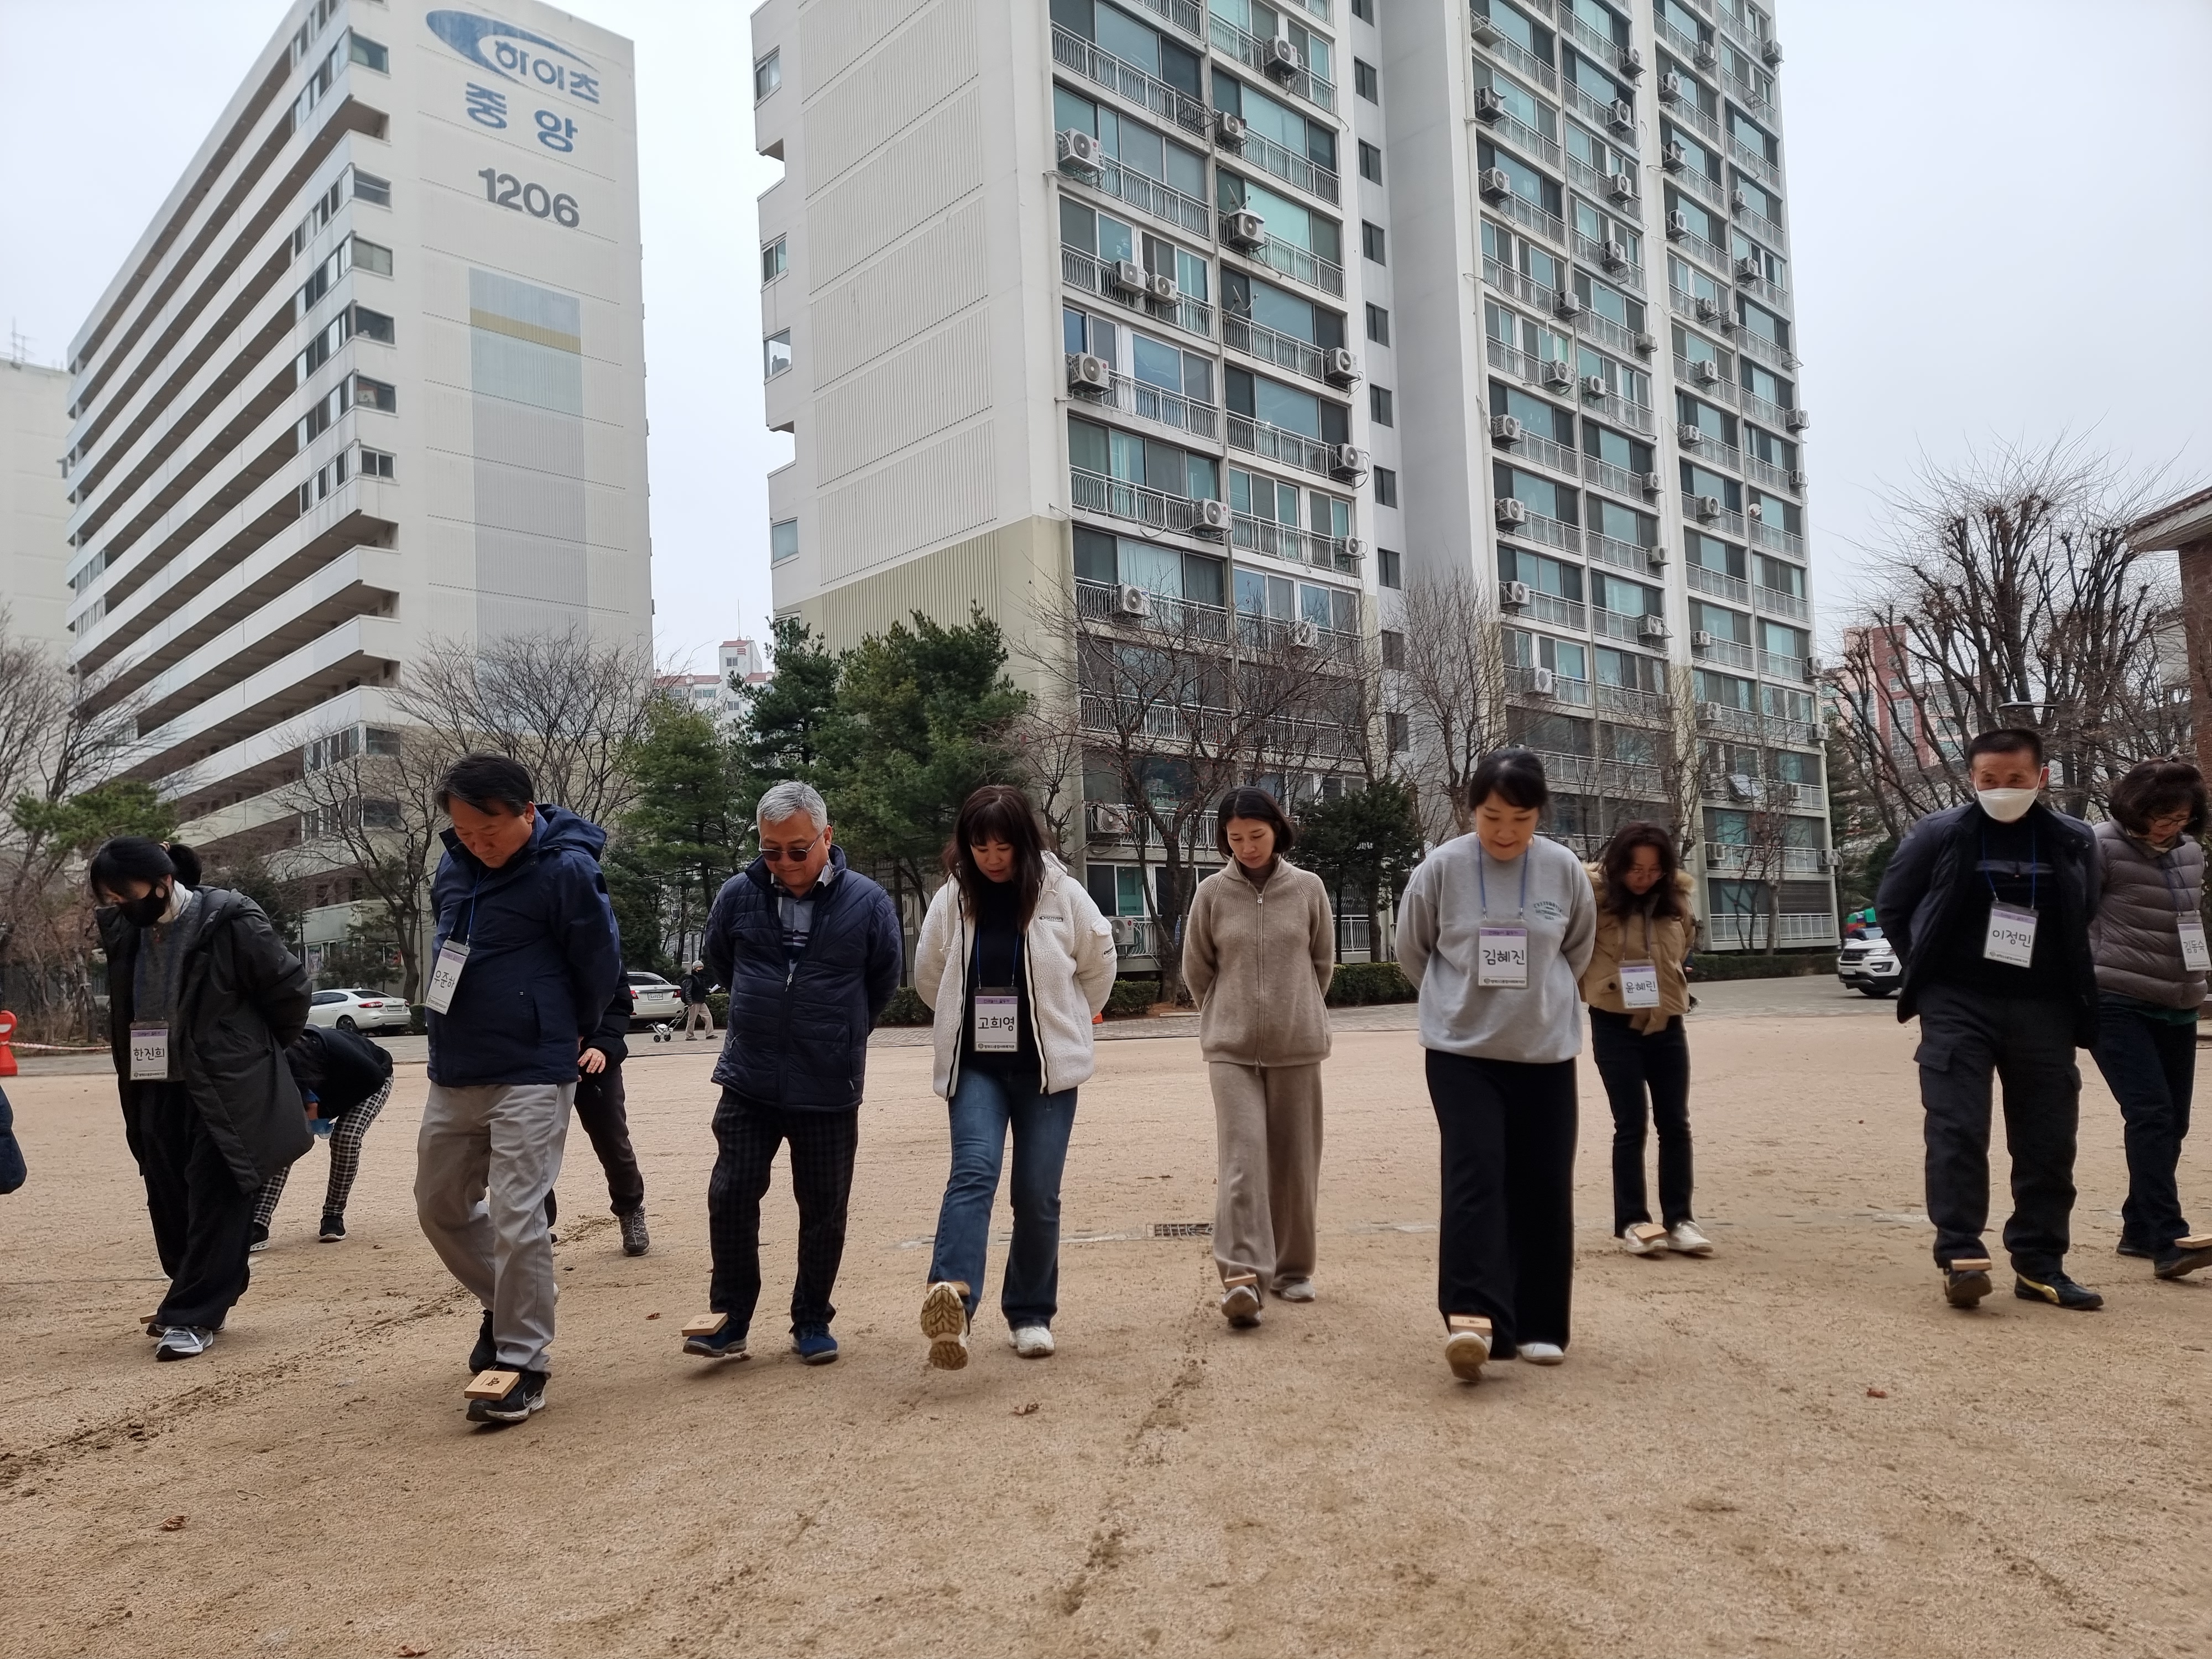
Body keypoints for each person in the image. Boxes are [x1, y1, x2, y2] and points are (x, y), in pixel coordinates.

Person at [414, 754, 624, 1423]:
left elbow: (599, 962)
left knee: (517, 1212)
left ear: (527, 812)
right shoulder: (453, 867)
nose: (478, 843)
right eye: (464, 832)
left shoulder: (566, 870)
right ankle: (509, 1301)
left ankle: (523, 1360)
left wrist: (565, 1027)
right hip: (456, 1064)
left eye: (490, 830)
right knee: (438, 1205)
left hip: (532, 1067)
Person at [1877, 728, 2104, 1313]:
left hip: (2045, 1006)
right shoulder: (1940, 833)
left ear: (2041, 778)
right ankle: (1960, 1254)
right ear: (1972, 779)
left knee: (2048, 1139)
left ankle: (2040, 1262)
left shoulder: (2074, 838)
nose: (2003, 788)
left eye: (2016, 779)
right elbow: (1893, 906)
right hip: (1958, 1004)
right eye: (1989, 779)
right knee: (1956, 1129)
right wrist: (1928, 977)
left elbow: (2086, 906)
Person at [687, 781, 901, 1366]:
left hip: (828, 1082)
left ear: (827, 837)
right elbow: (723, 961)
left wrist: (840, 1031)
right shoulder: (738, 894)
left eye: (797, 849)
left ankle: (811, 1318)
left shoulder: (868, 902)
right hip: (749, 1076)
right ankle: (730, 1319)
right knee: (731, 1193)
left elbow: (883, 980)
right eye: (770, 850)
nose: (783, 862)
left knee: (824, 1206)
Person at [1397, 751, 1594, 1382]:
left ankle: (1540, 1323)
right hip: (1461, 1052)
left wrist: (1538, 1003)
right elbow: (1413, 950)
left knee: (1543, 1181)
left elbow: (1577, 950)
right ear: (1471, 810)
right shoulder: (1441, 868)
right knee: (1475, 1176)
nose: (1505, 832)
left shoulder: (1564, 869)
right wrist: (1455, 1002)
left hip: (1543, 1051)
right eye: (1491, 817)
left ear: (1540, 815)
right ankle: (1473, 1319)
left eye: (1520, 819)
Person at [913, 785, 1115, 1368]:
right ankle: (953, 1300)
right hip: (976, 1067)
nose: (992, 859)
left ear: (1024, 842)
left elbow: (1098, 967)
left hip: (1045, 1074)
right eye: (980, 848)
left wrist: (1067, 1022)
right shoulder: (952, 898)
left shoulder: (1062, 893)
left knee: (1036, 1193)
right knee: (973, 1172)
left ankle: (1030, 1313)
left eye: (1003, 847)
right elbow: (930, 976)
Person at [92, 839, 310, 1360]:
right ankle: (202, 1286)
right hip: (151, 1081)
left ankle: (193, 1313)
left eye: (126, 895)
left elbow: (289, 991)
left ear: (163, 882)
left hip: (226, 1081)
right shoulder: (124, 930)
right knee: (167, 1194)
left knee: (219, 1193)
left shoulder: (231, 921)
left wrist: (248, 1050)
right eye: (110, 899)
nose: (120, 906)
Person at [1181, 786, 1334, 1327]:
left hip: (1298, 1045)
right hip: (1231, 1050)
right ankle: (1243, 1277)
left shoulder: (1309, 888)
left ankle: (1293, 1269)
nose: (1246, 847)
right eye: (1235, 838)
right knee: (1243, 1160)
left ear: (1276, 831)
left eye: (1256, 835)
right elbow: (1198, 970)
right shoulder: (1211, 894)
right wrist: (1227, 1014)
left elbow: (1321, 964)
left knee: (1295, 1161)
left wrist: (1295, 1011)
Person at [2088, 759, 2212, 1280]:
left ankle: (2138, 1229)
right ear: (2135, 808)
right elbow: (2071, 917)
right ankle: (2167, 1238)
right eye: (2162, 817)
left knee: (2173, 1122)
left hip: (2177, 1002)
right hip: (2115, 998)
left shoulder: (2190, 853)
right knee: (2151, 1115)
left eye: (2181, 818)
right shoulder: (2099, 846)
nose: (2170, 827)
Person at [1580, 823, 1707, 1260]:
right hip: (1614, 1024)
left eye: (1654, 870)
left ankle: (1681, 1219)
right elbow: (1573, 949)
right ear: (1618, 865)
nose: (1644, 878)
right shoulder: (1593, 898)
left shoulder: (1676, 901)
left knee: (1676, 1123)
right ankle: (1634, 1221)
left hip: (1668, 1023)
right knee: (1631, 1123)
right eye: (1636, 869)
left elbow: (1684, 945)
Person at [251, 1021, 394, 1248]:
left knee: (346, 1137)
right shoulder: (273, 1065)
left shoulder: (337, 1051)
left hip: (372, 1079)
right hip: (321, 1085)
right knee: (285, 1139)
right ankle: (259, 1222)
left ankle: (333, 1215)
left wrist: (325, 1110)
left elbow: (374, 1079)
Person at [546, 981, 651, 1256]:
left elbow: (618, 1004)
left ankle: (630, 1210)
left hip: (594, 1060)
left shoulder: (603, 953)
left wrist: (602, 1044)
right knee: (534, 1148)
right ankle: (536, 1227)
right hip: (541, 1060)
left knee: (612, 1141)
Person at [680, 961, 714, 1040]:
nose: (701, 969)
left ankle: (710, 1034)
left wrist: (709, 991)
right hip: (694, 1002)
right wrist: (690, 1002)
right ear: (695, 969)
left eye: (702, 967)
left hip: (701, 1001)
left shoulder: (701, 979)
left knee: (708, 1017)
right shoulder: (691, 979)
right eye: (699, 967)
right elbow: (688, 991)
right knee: (692, 1019)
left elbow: (702, 990)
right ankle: (689, 1036)